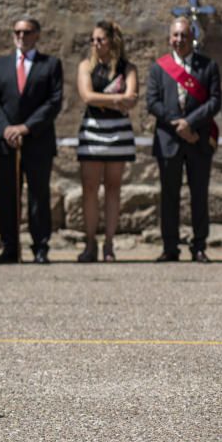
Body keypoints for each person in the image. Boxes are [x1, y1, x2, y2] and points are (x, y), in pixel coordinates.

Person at [0, 17, 63, 264]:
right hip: (8, 143)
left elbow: (54, 101)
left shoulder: (50, 65)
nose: (21, 36)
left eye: (27, 32)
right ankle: (10, 247)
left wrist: (26, 127)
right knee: (7, 196)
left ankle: (40, 247)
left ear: (37, 35)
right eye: (17, 32)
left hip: (37, 141)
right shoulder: (1, 65)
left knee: (38, 197)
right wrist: (6, 129)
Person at [146, 17, 221, 263]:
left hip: (198, 138)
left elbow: (214, 101)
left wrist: (191, 123)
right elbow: (153, 102)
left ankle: (199, 245)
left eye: (184, 36)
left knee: (199, 194)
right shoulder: (159, 68)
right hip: (169, 139)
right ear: (170, 38)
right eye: (175, 36)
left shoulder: (208, 66)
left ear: (192, 38)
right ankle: (170, 247)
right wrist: (178, 124)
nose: (179, 40)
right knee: (169, 195)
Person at [75, 21, 138, 262]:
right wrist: (116, 99)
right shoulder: (85, 67)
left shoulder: (127, 68)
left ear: (112, 41)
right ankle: (90, 242)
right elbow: (87, 96)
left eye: (99, 39)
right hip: (93, 131)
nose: (95, 44)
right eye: (92, 40)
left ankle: (109, 244)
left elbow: (132, 98)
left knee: (113, 187)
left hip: (118, 132)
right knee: (89, 188)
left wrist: (113, 99)